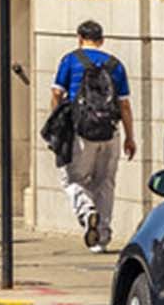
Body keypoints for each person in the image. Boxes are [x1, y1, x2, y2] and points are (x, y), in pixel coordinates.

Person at [51, 19, 136, 252]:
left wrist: (58, 124)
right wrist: (130, 137)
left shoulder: (70, 61)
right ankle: (102, 238)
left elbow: (57, 94)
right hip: (110, 132)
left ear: (80, 38)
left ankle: (87, 212)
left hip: (81, 132)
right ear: (102, 40)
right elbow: (125, 105)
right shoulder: (115, 65)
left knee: (72, 179)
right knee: (105, 182)